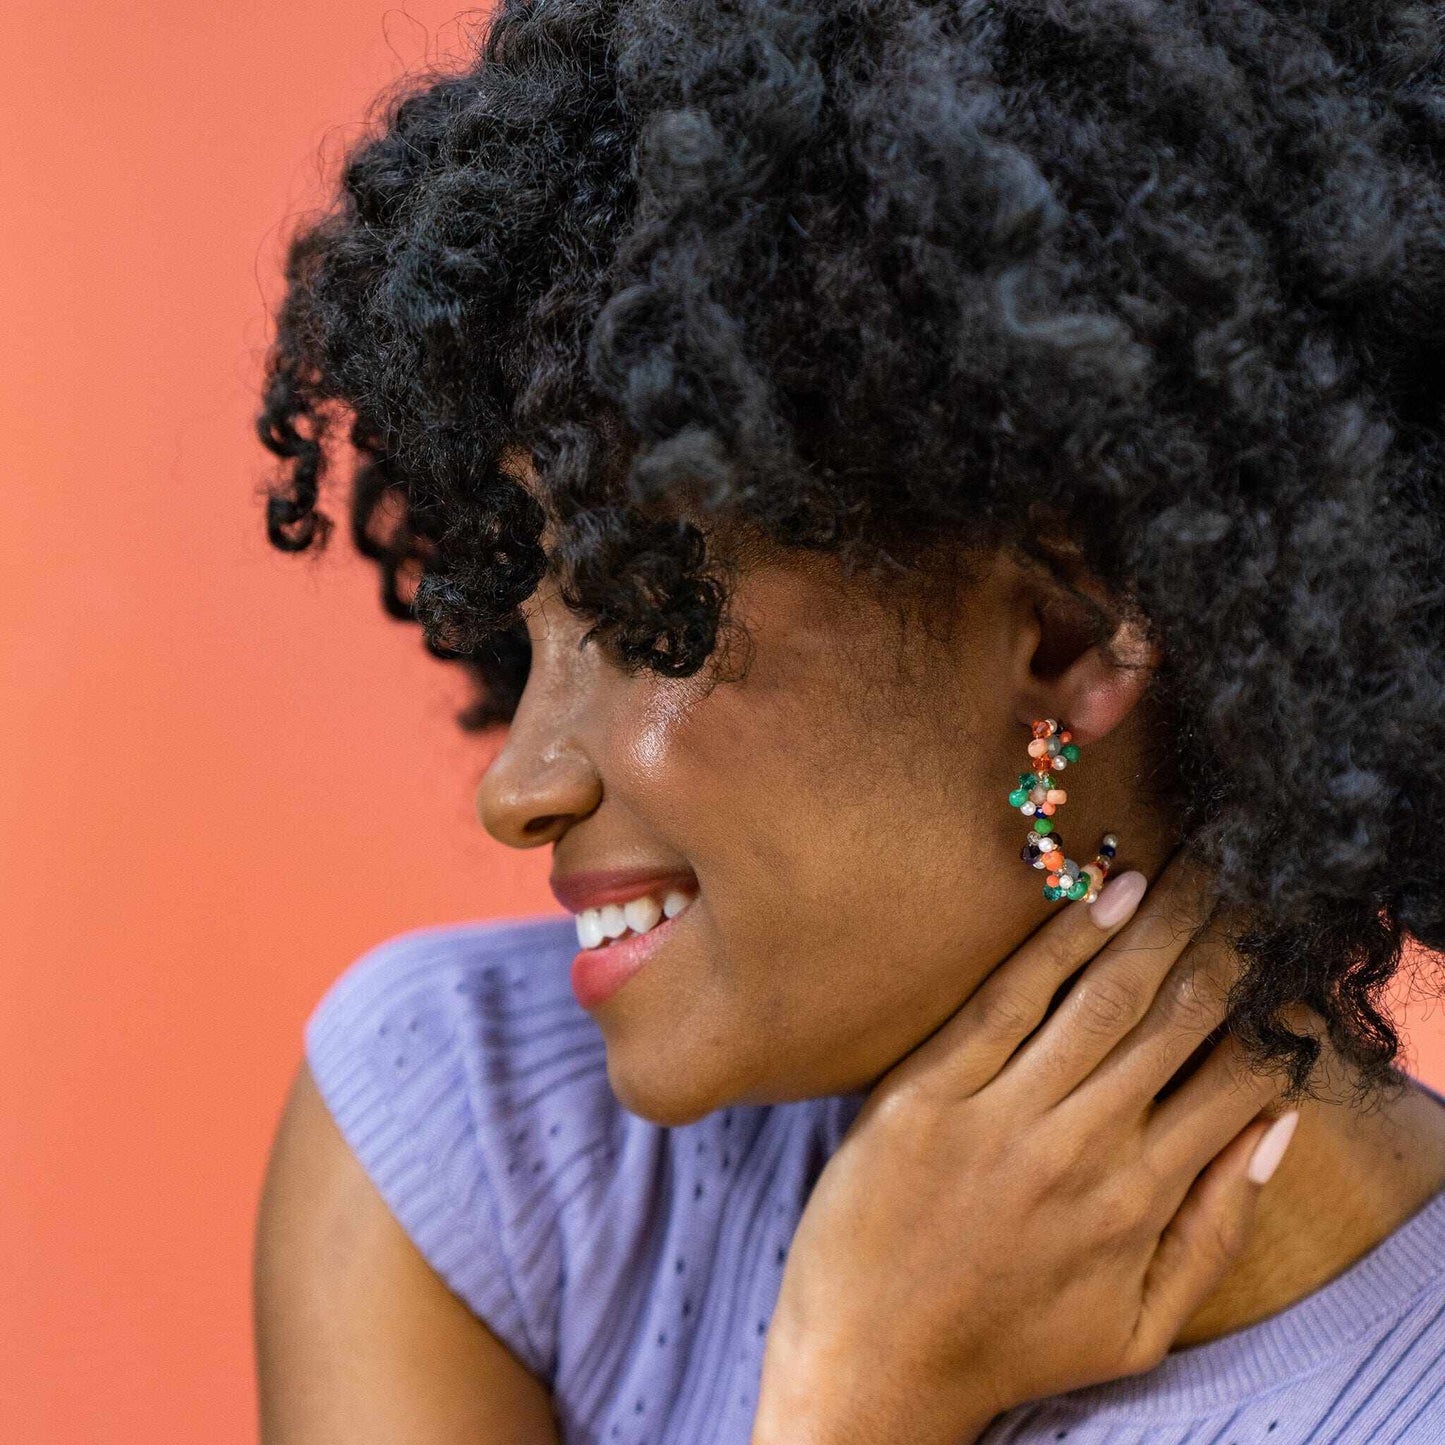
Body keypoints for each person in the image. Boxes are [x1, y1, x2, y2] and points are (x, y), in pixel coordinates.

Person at [251, 0, 1445, 1440]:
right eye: (528, 606)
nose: (516, 786)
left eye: (643, 613)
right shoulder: (477, 1139)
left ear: (1062, 629)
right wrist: (854, 1396)